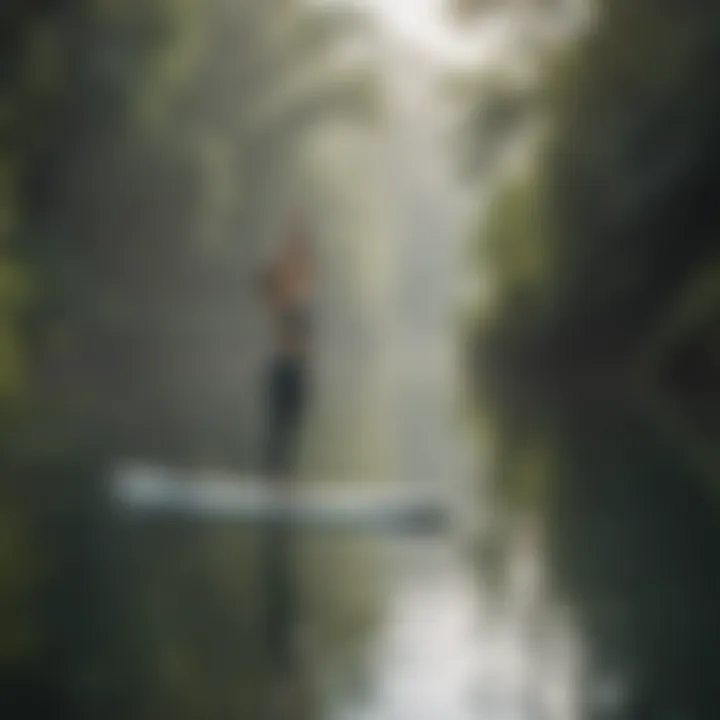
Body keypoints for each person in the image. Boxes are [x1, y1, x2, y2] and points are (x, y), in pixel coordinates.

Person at [258, 220, 315, 483]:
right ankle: (276, 481)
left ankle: (286, 480)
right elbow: (266, 282)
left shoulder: (301, 293)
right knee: (278, 429)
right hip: (283, 370)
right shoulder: (281, 296)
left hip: (298, 372)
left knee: (292, 429)